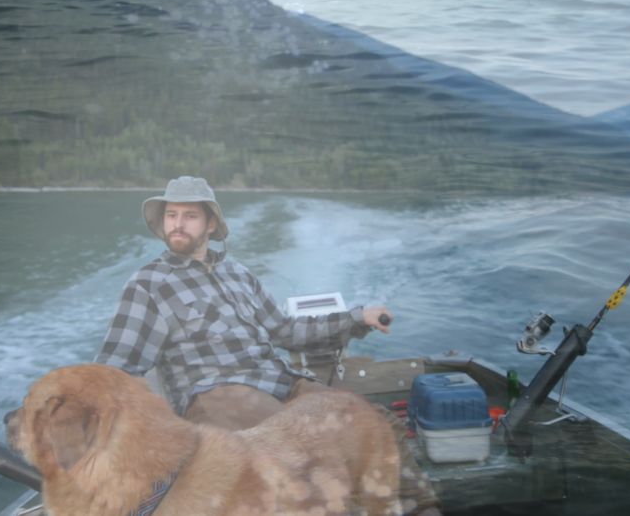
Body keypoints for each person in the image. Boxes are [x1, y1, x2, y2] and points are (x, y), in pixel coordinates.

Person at [95, 175, 440, 515]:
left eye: (189, 215)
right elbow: (115, 367)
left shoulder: (237, 273)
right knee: (299, 456)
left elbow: (286, 330)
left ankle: (419, 509)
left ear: (211, 224)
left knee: (375, 424)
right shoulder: (148, 284)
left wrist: (356, 318)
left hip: (281, 384)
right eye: (171, 215)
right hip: (219, 395)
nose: (177, 224)